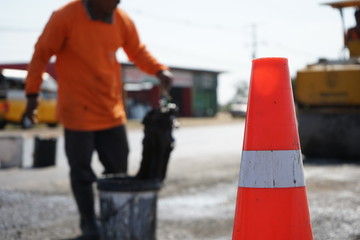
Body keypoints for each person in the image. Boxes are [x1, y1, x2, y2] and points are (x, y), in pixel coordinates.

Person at [24, 0, 173, 239]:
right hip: (77, 113)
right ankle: (89, 225)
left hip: (110, 111)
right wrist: (33, 94)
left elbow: (137, 50)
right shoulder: (65, 17)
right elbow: (41, 53)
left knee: (118, 172)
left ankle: (112, 222)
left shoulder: (121, 19)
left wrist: (159, 70)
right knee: (82, 174)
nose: (115, 4)